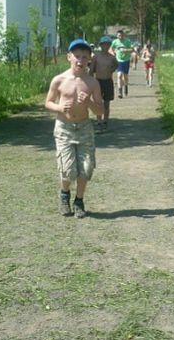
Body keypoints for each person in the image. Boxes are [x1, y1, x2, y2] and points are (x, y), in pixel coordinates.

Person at [45, 38, 104, 218]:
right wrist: (59, 108)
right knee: (68, 169)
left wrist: (89, 103)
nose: (80, 60)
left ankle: (79, 201)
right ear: (69, 57)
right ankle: (64, 196)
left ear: (89, 59)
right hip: (64, 128)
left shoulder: (92, 83)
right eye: (77, 56)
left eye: (84, 57)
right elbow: (48, 102)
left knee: (86, 167)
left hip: (84, 128)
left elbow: (100, 111)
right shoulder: (59, 80)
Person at [89, 35, 118, 132]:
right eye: (103, 44)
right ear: (100, 45)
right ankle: (99, 120)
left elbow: (116, 65)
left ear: (109, 45)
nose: (105, 46)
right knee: (98, 102)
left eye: (107, 44)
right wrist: (90, 81)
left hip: (108, 81)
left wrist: (112, 70)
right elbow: (91, 70)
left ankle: (105, 120)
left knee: (106, 103)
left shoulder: (111, 57)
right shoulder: (96, 57)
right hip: (98, 81)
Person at [111, 29, 133, 98]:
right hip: (119, 60)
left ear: (123, 35)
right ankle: (120, 92)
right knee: (119, 75)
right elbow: (111, 48)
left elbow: (132, 49)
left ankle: (126, 87)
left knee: (125, 76)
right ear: (117, 36)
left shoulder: (127, 41)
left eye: (121, 35)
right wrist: (113, 53)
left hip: (126, 60)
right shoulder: (115, 42)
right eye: (119, 35)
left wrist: (125, 50)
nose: (120, 36)